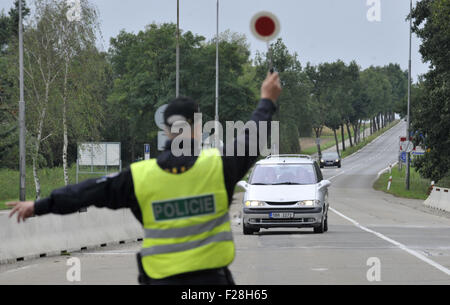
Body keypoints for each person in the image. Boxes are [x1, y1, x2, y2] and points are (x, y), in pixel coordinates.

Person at [7, 72, 282, 285]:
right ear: (198, 127)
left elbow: (86, 192)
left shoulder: (140, 177)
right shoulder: (217, 167)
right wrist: (267, 100)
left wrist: (38, 206)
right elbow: (252, 136)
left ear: (166, 130)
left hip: (159, 278)